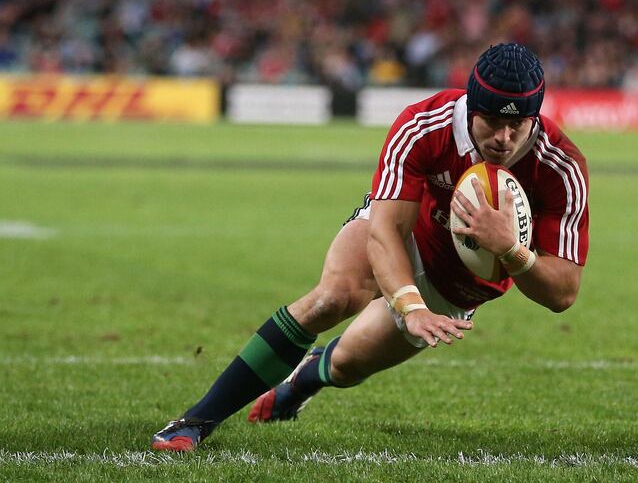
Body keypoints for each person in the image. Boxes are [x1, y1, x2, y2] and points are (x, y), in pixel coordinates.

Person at [151, 43, 589, 452]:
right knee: (331, 298)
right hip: (403, 230)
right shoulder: (423, 126)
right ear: (471, 107)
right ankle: (195, 421)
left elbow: (562, 293)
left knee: (346, 366)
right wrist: (409, 305)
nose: (504, 138)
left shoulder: (561, 166)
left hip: (459, 286)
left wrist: (511, 249)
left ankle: (303, 381)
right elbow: (386, 233)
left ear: (535, 118)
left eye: (518, 125)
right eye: (493, 121)